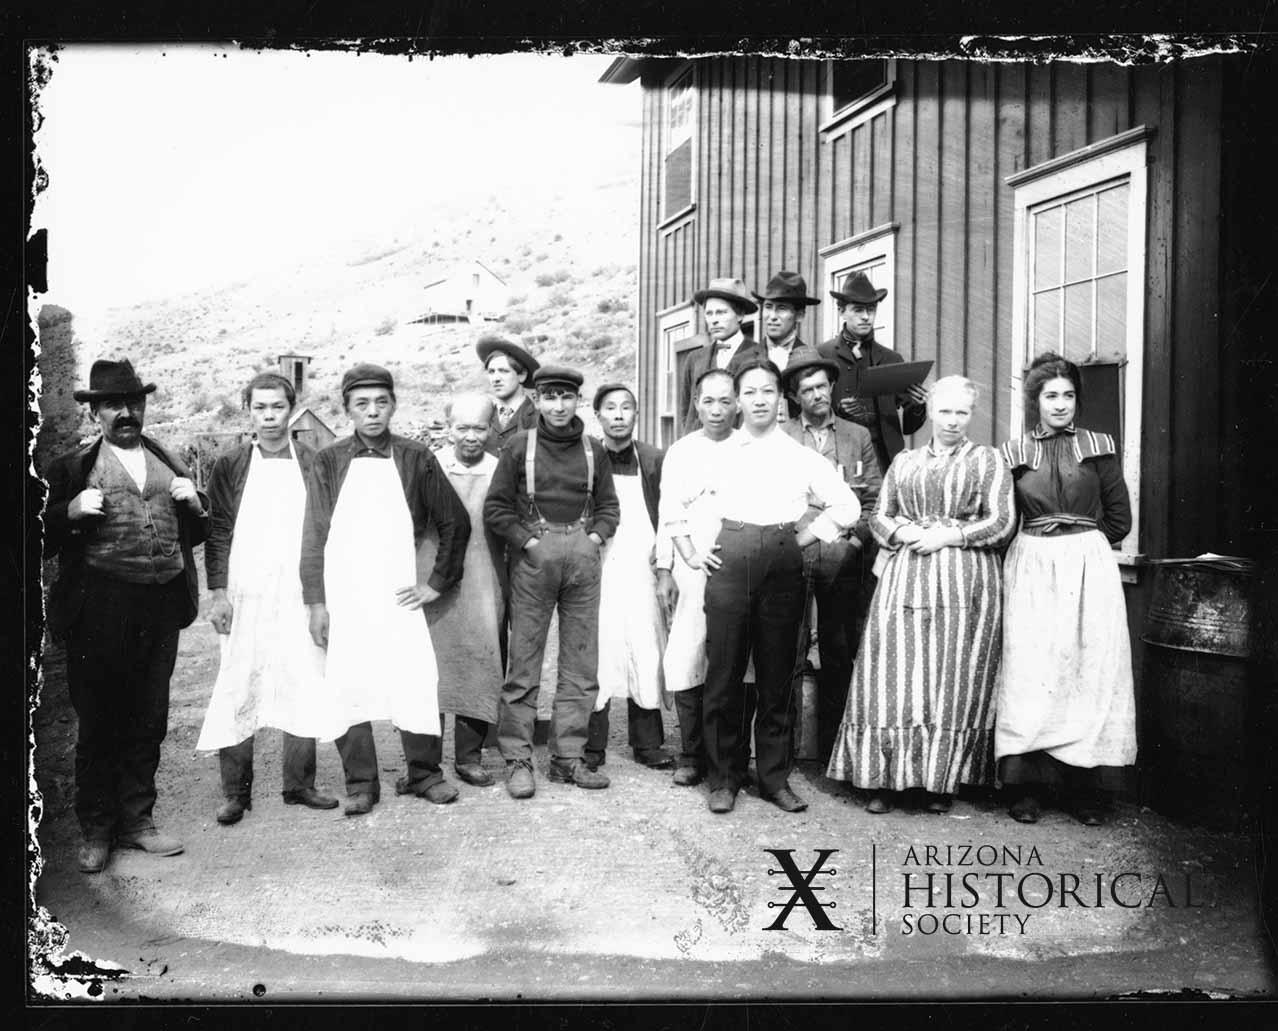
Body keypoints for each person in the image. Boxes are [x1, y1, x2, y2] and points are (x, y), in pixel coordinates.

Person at [44, 359, 210, 873]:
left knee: (148, 718)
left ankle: (138, 822)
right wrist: (68, 513)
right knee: (98, 721)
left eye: (133, 403)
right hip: (99, 605)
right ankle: (98, 830)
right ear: (95, 413)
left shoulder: (168, 460)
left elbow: (193, 534)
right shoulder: (72, 469)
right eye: (113, 405)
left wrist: (195, 503)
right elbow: (36, 537)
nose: (126, 413)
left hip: (158, 604)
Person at [827, 376, 1016, 815]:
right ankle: (884, 778)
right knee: (895, 672)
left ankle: (938, 783)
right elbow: (879, 514)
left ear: (973, 415)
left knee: (951, 675)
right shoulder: (906, 462)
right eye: (945, 411)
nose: (952, 421)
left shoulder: (988, 461)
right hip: (905, 573)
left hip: (963, 578)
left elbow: (1002, 521)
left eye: (962, 412)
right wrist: (904, 530)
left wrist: (950, 535)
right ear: (930, 412)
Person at [684, 359, 861, 815]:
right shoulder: (717, 454)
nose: (759, 400)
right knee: (723, 674)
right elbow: (680, 504)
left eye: (768, 392)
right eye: (750, 392)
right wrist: (693, 549)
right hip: (729, 559)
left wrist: (800, 538)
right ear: (738, 400)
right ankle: (723, 778)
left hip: (783, 563)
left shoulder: (801, 456)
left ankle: (774, 779)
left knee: (777, 676)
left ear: (780, 399)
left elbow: (848, 506)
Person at [301, 363, 471, 816]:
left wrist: (436, 583)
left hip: (398, 592)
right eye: (362, 404)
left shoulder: (416, 457)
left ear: (393, 405)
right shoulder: (329, 461)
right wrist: (317, 603)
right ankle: (362, 784)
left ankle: (425, 775)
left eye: (381, 402)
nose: (372, 412)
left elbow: (456, 521)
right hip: (346, 594)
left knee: (412, 677)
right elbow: (314, 534)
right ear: (347, 410)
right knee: (348, 681)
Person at [994, 353, 1136, 826]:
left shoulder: (1098, 447)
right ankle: (1027, 786)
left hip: (1087, 567)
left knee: (1088, 667)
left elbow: (1119, 519)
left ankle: (1086, 790)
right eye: (1051, 395)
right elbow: (1005, 519)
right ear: (1035, 401)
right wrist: (1041, 548)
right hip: (1032, 564)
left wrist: (1082, 547)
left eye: (1068, 395)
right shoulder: (1013, 454)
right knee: (1032, 667)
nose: (1061, 404)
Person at [197, 372, 343, 825]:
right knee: (240, 678)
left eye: (277, 407)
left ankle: (299, 784)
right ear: (249, 412)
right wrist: (218, 592)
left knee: (303, 674)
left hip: (298, 588)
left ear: (291, 408)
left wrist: (319, 599)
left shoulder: (312, 461)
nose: (269, 416)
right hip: (247, 590)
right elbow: (218, 531)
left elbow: (323, 531)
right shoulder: (232, 465)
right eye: (259, 408)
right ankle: (235, 793)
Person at [483, 365, 621, 798]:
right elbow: (497, 508)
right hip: (534, 562)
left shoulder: (593, 449)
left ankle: (567, 758)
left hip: (582, 561)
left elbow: (610, 508)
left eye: (567, 397)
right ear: (537, 400)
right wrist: (526, 543)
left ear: (577, 401)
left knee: (580, 665)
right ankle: (518, 759)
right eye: (550, 397)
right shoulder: (519, 447)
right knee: (524, 666)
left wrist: (593, 537)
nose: (558, 406)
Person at [781, 355, 882, 763]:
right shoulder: (783, 436)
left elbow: (874, 499)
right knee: (788, 645)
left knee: (840, 649)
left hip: (843, 556)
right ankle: (787, 747)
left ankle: (834, 749)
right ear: (794, 396)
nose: (818, 395)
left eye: (823, 386)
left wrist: (857, 542)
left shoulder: (858, 435)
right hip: (795, 551)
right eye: (808, 390)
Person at [417, 393, 508, 788]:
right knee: (432, 664)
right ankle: (427, 759)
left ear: (491, 429)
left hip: (484, 575)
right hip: (433, 574)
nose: (471, 437)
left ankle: (469, 757)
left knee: (480, 658)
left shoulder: (501, 469)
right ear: (448, 427)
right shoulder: (429, 464)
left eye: (479, 428)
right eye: (463, 428)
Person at [655, 368, 741, 786]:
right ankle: (690, 753)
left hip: (739, 567)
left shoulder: (749, 448)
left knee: (732, 660)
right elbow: (668, 513)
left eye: (726, 401)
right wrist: (666, 568)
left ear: (738, 403)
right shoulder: (683, 451)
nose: (717, 410)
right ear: (696, 403)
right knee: (687, 655)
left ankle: (728, 753)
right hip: (692, 567)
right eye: (708, 401)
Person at [584, 383, 672, 771]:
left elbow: (668, 516)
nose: (619, 415)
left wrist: (663, 560)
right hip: (600, 566)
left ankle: (648, 744)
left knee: (646, 647)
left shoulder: (653, 460)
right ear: (598, 415)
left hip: (642, 568)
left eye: (626, 408)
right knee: (599, 651)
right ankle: (592, 745)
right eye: (610, 408)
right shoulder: (585, 459)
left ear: (636, 415)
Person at [818, 270, 929, 476]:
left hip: (883, 461)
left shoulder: (891, 359)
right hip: (837, 457)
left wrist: (918, 405)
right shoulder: (822, 355)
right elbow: (810, 411)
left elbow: (909, 427)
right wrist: (838, 411)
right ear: (841, 310)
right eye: (858, 310)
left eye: (871, 309)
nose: (866, 317)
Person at [678, 277, 765, 434]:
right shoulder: (694, 359)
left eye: (721, 312)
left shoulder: (759, 356)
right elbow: (686, 411)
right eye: (709, 314)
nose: (714, 320)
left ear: (739, 315)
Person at [755, 271, 822, 423]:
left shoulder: (812, 359)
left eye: (782, 308)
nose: (772, 316)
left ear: (800, 315)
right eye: (768, 307)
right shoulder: (745, 358)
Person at [478, 335, 539, 455]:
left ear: (522, 375)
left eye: (503, 371)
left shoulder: (539, 419)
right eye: (491, 372)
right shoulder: (483, 416)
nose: (495, 379)